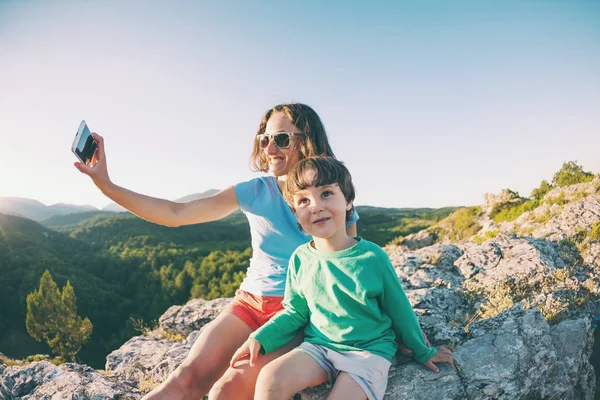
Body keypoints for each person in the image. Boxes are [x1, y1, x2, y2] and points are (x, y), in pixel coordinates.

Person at [74, 103, 358, 400]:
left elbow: (349, 265)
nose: (270, 149)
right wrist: (106, 185)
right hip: (249, 303)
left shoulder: (333, 197)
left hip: (297, 312)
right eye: (265, 140)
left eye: (282, 139)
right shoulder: (256, 191)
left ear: (309, 139)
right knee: (186, 378)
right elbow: (175, 212)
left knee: (226, 390)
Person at [230, 157, 454, 400]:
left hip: (368, 351)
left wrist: (423, 351)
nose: (315, 206)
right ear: (295, 212)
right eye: (304, 200)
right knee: (270, 378)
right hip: (319, 346)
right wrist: (260, 338)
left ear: (348, 202)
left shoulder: (371, 257)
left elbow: (400, 310)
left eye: (326, 193)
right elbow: (295, 312)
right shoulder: (300, 258)